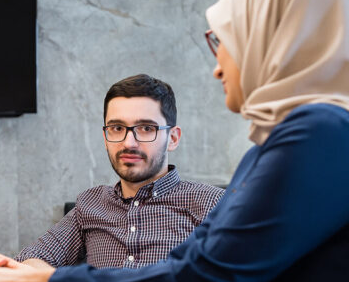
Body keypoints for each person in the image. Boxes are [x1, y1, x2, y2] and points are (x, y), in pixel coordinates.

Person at [0, 0, 349, 282]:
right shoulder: (283, 142)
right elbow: (191, 266)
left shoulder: (322, 134)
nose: (216, 66)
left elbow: (201, 279)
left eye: (223, 41)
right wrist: (30, 273)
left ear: (273, 41)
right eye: (117, 128)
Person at [16, 74, 223, 269]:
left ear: (173, 138)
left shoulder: (213, 205)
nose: (128, 143)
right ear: (105, 138)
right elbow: (27, 263)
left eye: (146, 128)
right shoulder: (89, 205)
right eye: (117, 128)